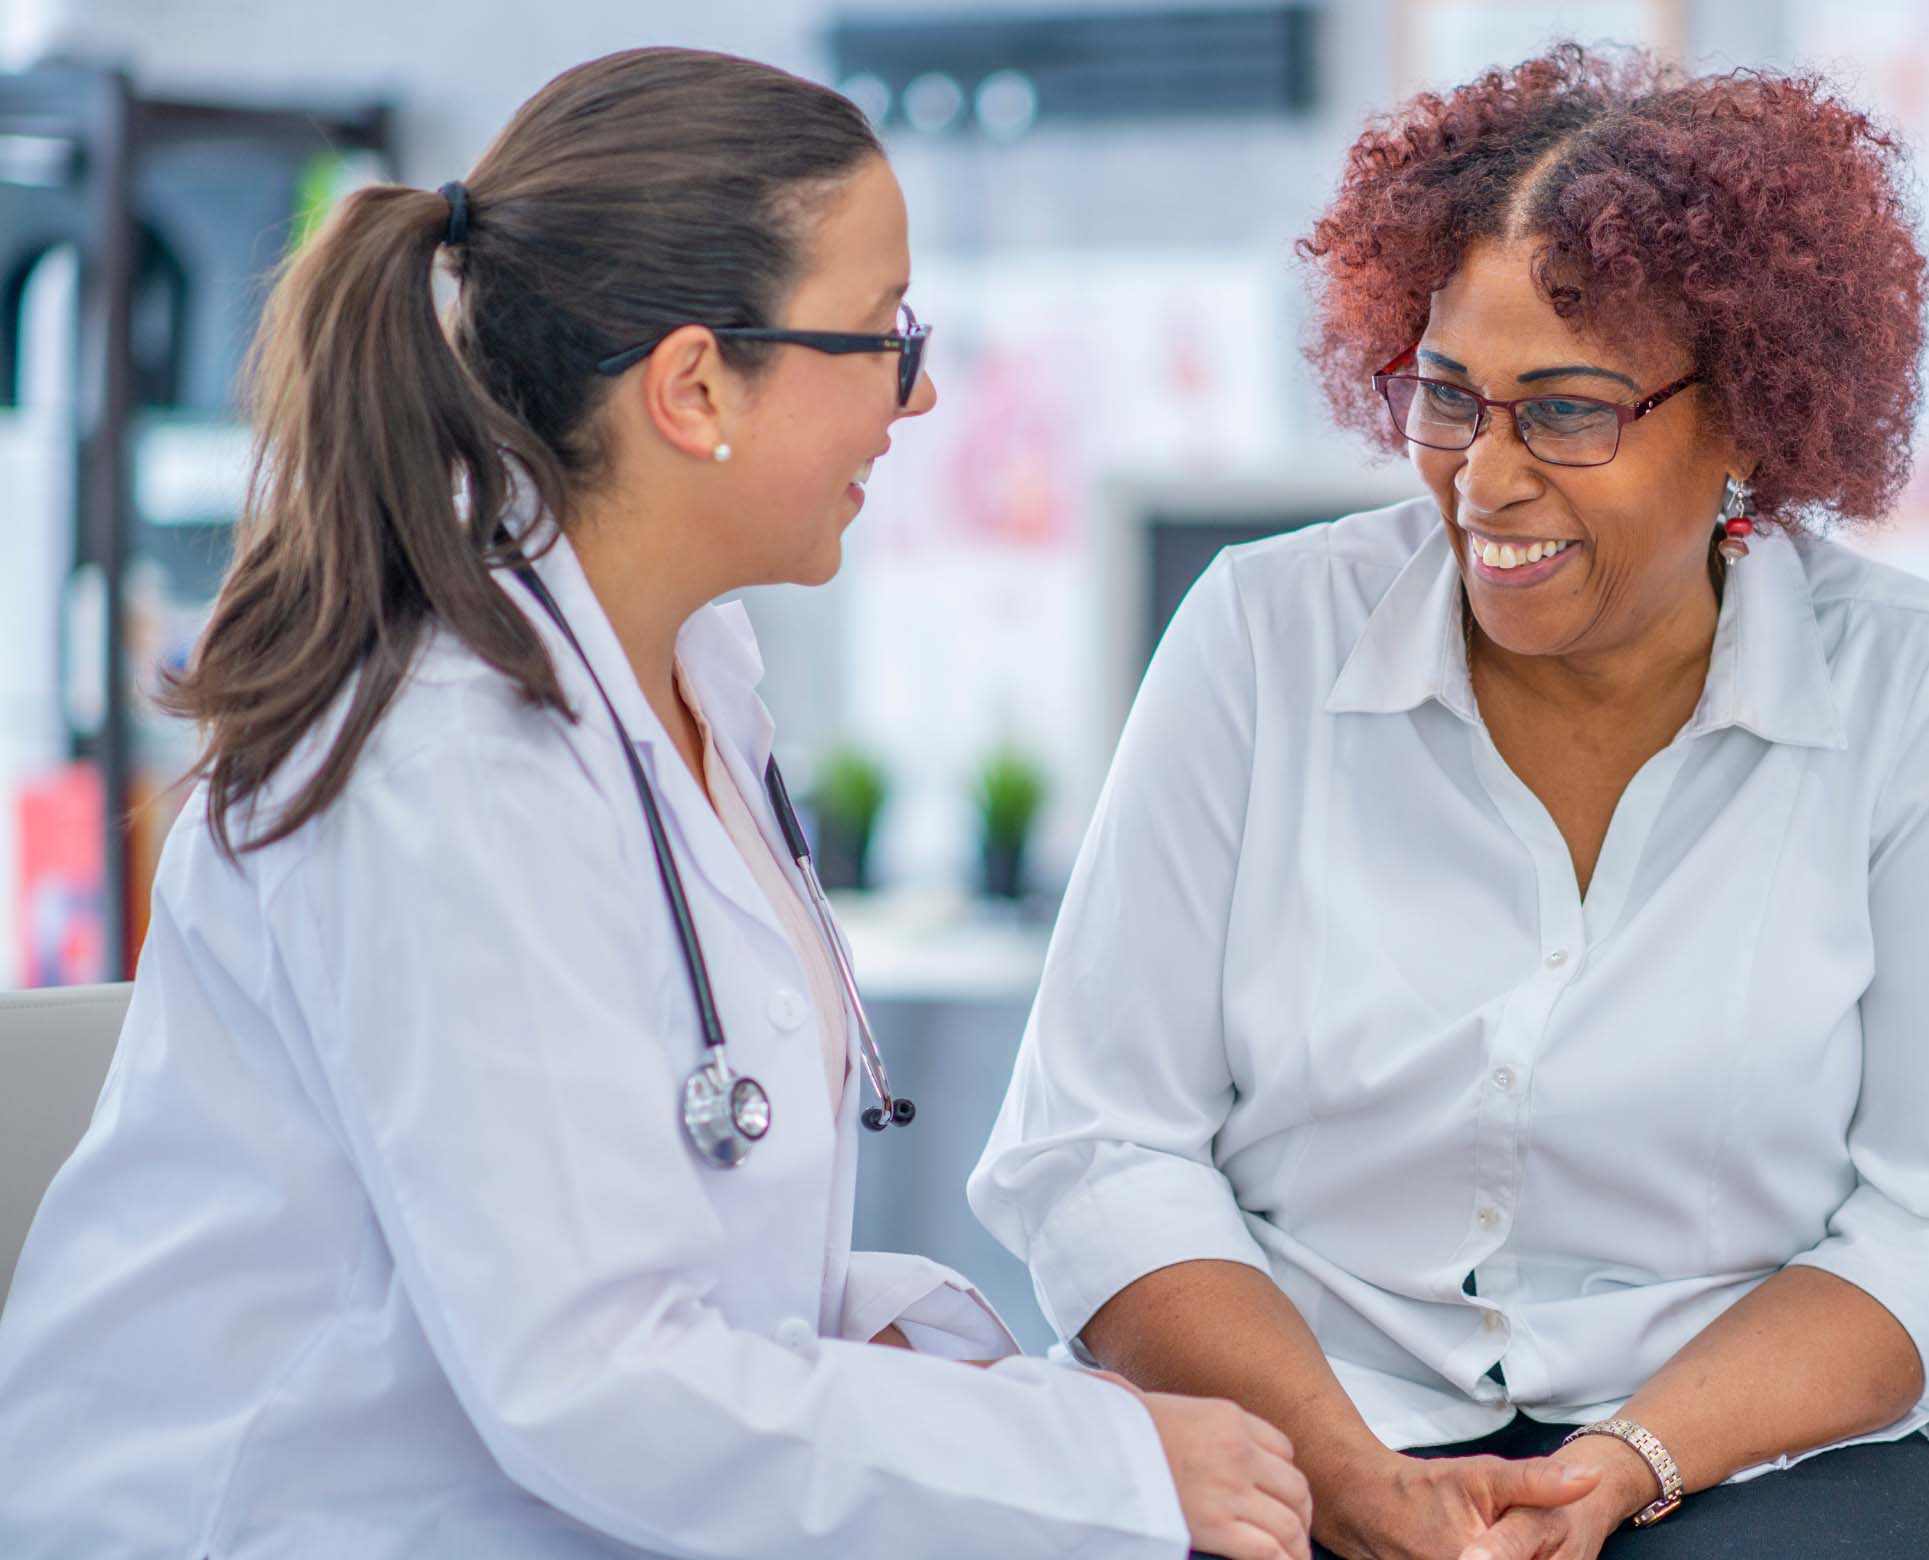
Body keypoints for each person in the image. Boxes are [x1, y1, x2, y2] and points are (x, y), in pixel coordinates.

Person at [0, 48, 1309, 1560]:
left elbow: (662, 1247)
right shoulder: (446, 761)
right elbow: (593, 1379)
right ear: (695, 387)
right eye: (885, 333)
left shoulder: (694, 671)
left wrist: (941, 1368)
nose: (923, 388)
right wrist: (1096, 1460)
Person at [969, 44, 1929, 1560]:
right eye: (1447, 397)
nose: (1483, 479)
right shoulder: (1259, 638)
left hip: (1741, 1446)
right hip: (1304, 1407)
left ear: (1748, 420)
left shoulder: (1920, 695)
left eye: (1564, 412)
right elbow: (1098, 1149)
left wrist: (1629, 1459)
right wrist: (1346, 1472)